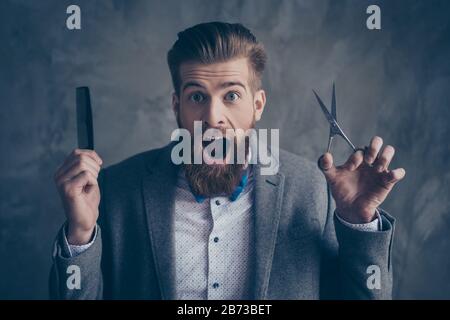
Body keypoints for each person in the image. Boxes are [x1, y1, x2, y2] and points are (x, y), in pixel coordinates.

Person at [50, 21, 405, 299]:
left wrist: (359, 225)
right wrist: (80, 235)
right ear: (177, 107)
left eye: (231, 95)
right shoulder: (115, 192)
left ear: (257, 105)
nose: (214, 116)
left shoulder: (314, 190)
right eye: (197, 97)